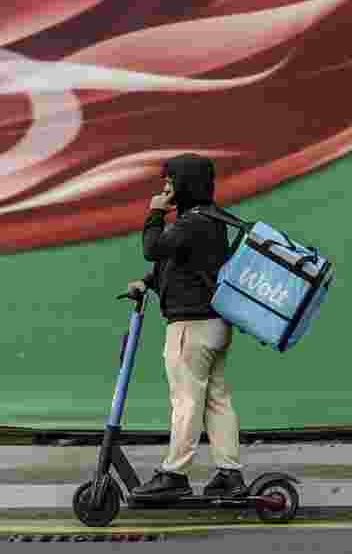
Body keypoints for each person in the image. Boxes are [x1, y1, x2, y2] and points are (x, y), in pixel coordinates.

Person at [126, 152, 246, 499]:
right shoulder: (209, 219)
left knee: (186, 400)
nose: (165, 188)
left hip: (190, 328)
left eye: (169, 182)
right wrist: (148, 282)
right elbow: (183, 264)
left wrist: (154, 213)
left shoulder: (190, 222)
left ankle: (174, 474)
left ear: (185, 183)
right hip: (216, 325)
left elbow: (153, 248)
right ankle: (229, 474)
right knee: (217, 400)